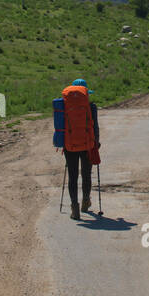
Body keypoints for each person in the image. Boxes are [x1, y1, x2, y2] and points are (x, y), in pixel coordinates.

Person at [54, 78, 100, 220]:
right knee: (86, 174)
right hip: (87, 144)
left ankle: (75, 208)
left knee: (72, 177)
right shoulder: (91, 107)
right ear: (86, 92)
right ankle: (86, 201)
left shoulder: (65, 106)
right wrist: (96, 143)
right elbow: (95, 126)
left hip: (70, 144)